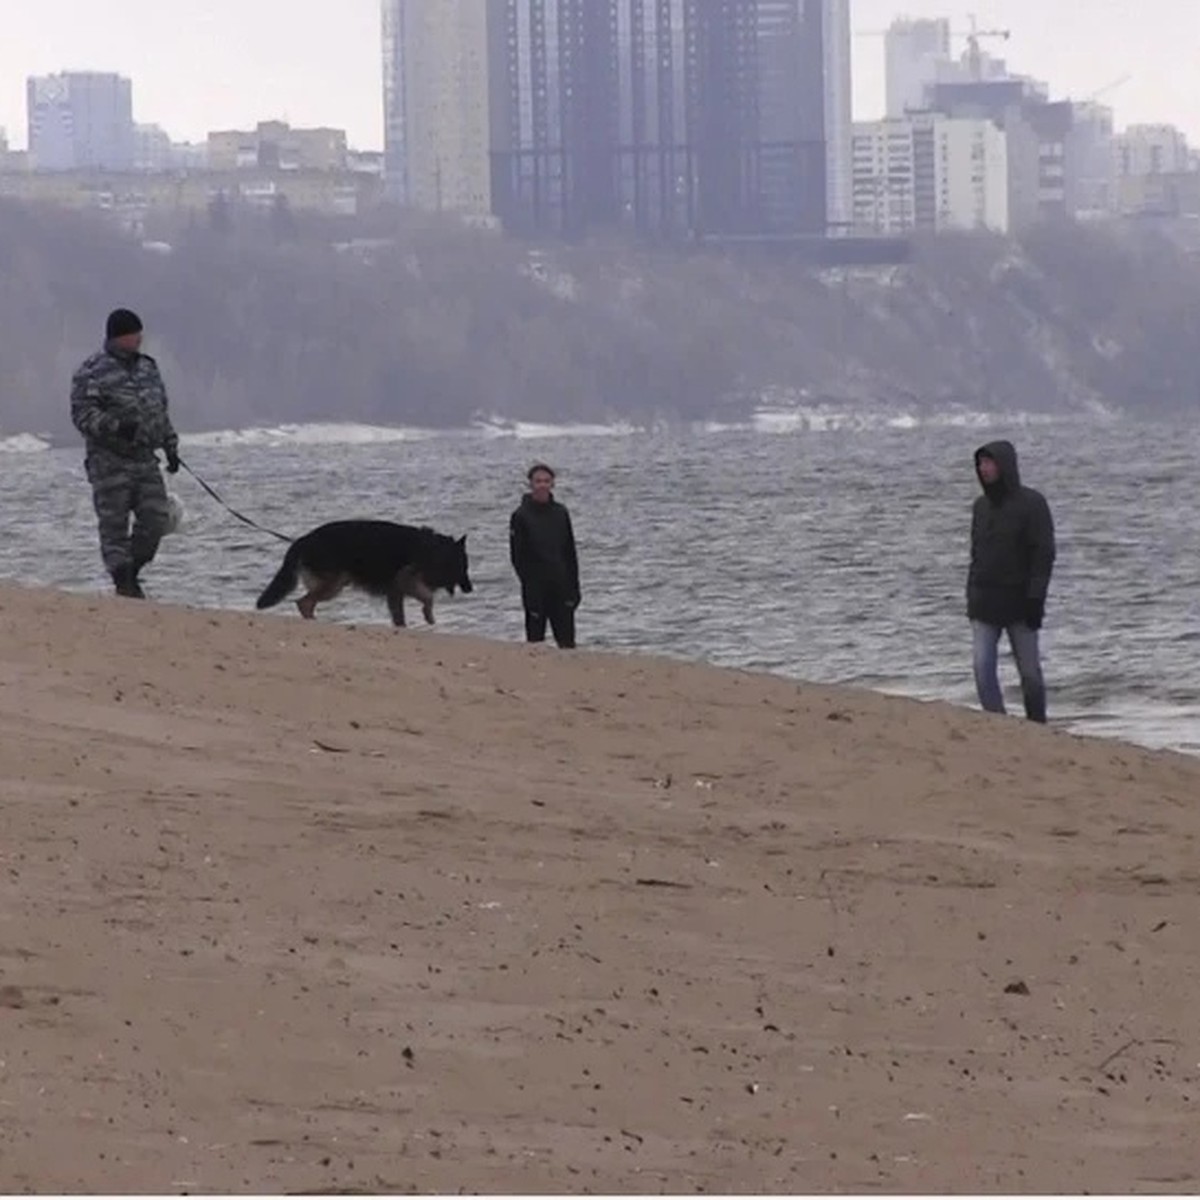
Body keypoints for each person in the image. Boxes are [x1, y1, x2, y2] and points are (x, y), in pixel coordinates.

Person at [70, 308, 181, 599]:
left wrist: (170, 445)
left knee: (157, 520)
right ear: (119, 336)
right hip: (110, 462)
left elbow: (160, 410)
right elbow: (82, 416)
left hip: (145, 460)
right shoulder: (91, 371)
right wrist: (116, 427)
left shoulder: (148, 368)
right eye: (134, 334)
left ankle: (132, 570)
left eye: (140, 334)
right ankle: (123, 582)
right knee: (114, 526)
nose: (139, 339)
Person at [967, 439, 1056, 723]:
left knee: (1030, 674)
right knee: (982, 669)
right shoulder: (980, 507)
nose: (984, 469)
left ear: (1004, 465)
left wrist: (1035, 598)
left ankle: (1037, 725)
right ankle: (998, 725)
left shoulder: (1032, 503)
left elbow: (1043, 554)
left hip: (1021, 604)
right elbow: (976, 553)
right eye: (980, 463)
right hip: (985, 603)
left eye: (990, 462)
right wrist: (971, 595)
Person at [509, 463, 581, 649]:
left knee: (567, 644)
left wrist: (574, 588)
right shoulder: (520, 516)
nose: (542, 485)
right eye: (538, 481)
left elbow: (570, 552)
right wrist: (529, 586)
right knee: (535, 644)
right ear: (530, 484)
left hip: (561, 586)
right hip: (535, 589)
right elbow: (518, 558)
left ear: (553, 484)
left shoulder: (561, 512)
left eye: (546, 481)